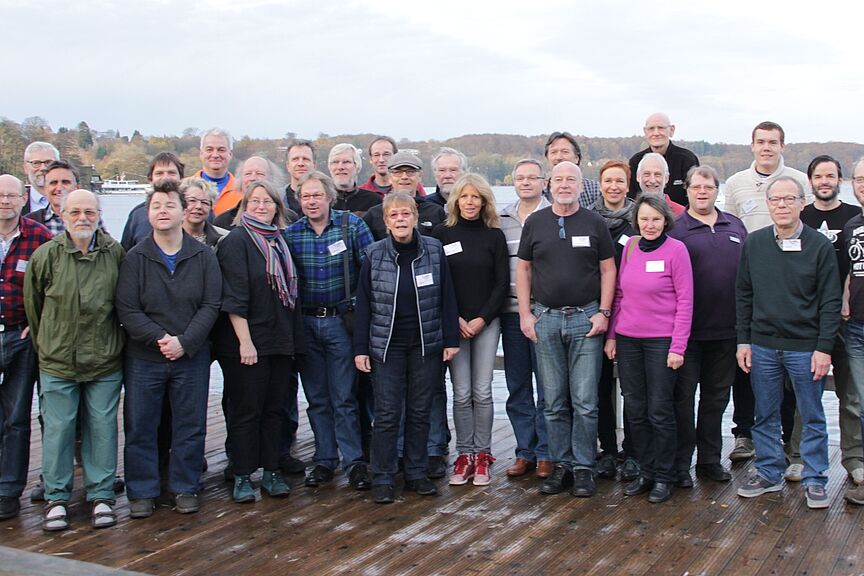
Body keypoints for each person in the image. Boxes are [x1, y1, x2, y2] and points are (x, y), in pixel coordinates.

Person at [116, 179, 221, 517]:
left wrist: (185, 342)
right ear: (148, 213)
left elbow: (211, 304)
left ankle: (185, 486)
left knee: (190, 425)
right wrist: (160, 339)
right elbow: (128, 309)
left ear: (183, 211)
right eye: (157, 206)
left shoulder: (202, 256)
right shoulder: (135, 258)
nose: (163, 211)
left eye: (170, 205)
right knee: (141, 425)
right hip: (145, 357)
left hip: (191, 356)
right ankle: (142, 491)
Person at [735, 177, 840, 510]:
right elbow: (744, 295)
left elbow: (830, 301)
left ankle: (815, 478)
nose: (781, 205)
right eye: (775, 199)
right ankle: (768, 471)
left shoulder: (819, 246)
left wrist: (824, 348)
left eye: (788, 199)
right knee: (764, 414)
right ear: (767, 204)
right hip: (763, 344)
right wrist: (744, 341)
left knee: (811, 415)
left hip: (805, 347)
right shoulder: (754, 244)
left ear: (802, 203)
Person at [24, 189, 126, 531]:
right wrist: (49, 345)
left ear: (98, 214)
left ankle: (101, 495)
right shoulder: (46, 256)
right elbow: (34, 308)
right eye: (75, 212)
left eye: (89, 212)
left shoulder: (115, 253)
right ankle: (56, 498)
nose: (83, 218)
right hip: (58, 360)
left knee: (101, 428)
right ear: (63, 215)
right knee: (58, 430)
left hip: (104, 358)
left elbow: (123, 304)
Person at [517, 161, 616, 498]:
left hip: (585, 318)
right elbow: (524, 269)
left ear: (580, 185)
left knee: (586, 401)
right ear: (549, 184)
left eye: (570, 179)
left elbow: (607, 270)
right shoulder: (535, 222)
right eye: (558, 179)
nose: (563, 185)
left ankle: (585, 466)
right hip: (545, 319)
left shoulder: (594, 222)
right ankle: (562, 465)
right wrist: (526, 315)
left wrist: (603, 313)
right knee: (555, 401)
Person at [353, 192, 460, 504]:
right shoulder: (374, 255)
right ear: (386, 222)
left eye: (405, 214)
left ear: (415, 217)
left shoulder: (434, 250)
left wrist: (450, 338)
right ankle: (383, 476)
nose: (400, 220)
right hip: (387, 346)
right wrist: (361, 348)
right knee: (387, 413)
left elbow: (447, 297)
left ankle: (415, 472)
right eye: (394, 216)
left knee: (419, 410)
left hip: (425, 343)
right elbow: (364, 306)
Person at [723, 122, 811, 464]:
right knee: (746, 363)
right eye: (761, 142)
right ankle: (744, 433)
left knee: (787, 367)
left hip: (788, 284)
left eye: (773, 142)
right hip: (750, 280)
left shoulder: (798, 180)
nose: (767, 148)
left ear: (782, 146)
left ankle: (789, 439)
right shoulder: (736, 184)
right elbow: (728, 229)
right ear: (752, 146)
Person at [214, 180, 305, 502]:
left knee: (275, 409)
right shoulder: (236, 242)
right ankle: (242, 474)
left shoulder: (281, 242)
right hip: (246, 343)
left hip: (280, 338)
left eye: (268, 202)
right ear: (245, 206)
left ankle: (271, 470)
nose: (262, 207)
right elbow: (233, 298)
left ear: (277, 208)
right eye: (255, 201)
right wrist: (246, 343)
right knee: (246, 410)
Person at [285, 171, 374, 491]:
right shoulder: (292, 234)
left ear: (328, 197)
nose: (311, 201)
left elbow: (372, 274)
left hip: (341, 322)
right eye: (305, 196)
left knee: (344, 396)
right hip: (306, 323)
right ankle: (324, 459)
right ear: (299, 200)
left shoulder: (352, 226)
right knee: (317, 397)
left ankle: (354, 462)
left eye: (316, 195)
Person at [605, 194, 693, 504]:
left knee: (660, 410)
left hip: (662, 342)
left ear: (665, 220)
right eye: (644, 218)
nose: (650, 224)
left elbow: (685, 302)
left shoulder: (676, 250)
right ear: (636, 220)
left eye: (656, 219)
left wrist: (677, 346)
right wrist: (613, 336)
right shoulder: (629, 248)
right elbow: (618, 296)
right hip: (629, 339)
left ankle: (665, 475)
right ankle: (646, 470)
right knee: (636, 410)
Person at [785, 156, 864, 485]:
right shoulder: (800, 217)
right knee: (806, 390)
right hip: (808, 318)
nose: (825, 181)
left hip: (847, 317)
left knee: (851, 393)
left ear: (840, 180)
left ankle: (854, 457)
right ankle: (798, 456)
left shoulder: (852, 219)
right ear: (810, 180)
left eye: (831, 175)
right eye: (818, 176)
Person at [668, 165, 746, 485]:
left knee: (716, 400)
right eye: (696, 187)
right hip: (688, 334)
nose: (703, 192)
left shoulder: (736, 226)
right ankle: (681, 463)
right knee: (683, 400)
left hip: (727, 332)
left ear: (718, 191)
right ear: (686, 190)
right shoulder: (675, 229)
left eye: (709, 187)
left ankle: (709, 461)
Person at [432, 174, 508, 486]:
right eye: (465, 197)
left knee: (482, 390)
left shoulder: (494, 235)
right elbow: (438, 282)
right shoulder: (441, 234)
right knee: (461, 393)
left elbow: (502, 283)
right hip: (454, 324)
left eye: (476, 197)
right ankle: (464, 454)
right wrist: (456, 320)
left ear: (485, 201)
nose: (470, 202)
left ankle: (483, 454)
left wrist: (482, 318)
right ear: (456, 201)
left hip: (486, 323)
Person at [0, 175, 52, 521]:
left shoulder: (38, 236)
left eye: (11, 196)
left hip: (21, 336)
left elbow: (55, 284)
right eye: (0, 195)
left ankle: (7, 491)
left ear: (24, 200)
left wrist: (38, 320)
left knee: (16, 418)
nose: (5, 201)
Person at [499, 159, 552, 479]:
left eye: (533, 177)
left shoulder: (552, 215)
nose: (526, 182)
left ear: (544, 182)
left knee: (548, 387)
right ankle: (525, 451)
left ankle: (547, 452)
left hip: (545, 312)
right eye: (520, 178)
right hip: (510, 313)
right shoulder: (501, 217)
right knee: (517, 385)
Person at [591, 160, 639, 482]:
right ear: (600, 184)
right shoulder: (588, 220)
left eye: (619, 181)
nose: (613, 187)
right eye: (608, 181)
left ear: (627, 183)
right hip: (595, 312)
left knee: (633, 388)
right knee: (599, 385)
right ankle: (607, 450)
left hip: (634, 315)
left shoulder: (639, 219)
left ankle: (633, 451)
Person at [842, 158, 864, 504]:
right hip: (856, 327)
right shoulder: (852, 225)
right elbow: (849, 269)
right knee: (858, 400)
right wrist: (844, 297)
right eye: (859, 179)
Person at [363, 152, 445, 240]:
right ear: (389, 177)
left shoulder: (436, 212)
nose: (404, 177)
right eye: (398, 172)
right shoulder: (374, 214)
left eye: (410, 172)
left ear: (420, 176)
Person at [628, 113, 699, 206]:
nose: (656, 133)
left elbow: (696, 195)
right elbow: (631, 198)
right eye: (651, 128)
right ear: (645, 132)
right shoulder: (636, 162)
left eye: (661, 128)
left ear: (671, 130)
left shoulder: (687, 160)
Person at [120, 152, 185, 250]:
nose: (165, 177)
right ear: (151, 179)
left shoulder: (194, 211)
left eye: (171, 173)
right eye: (159, 173)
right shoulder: (137, 215)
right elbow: (125, 254)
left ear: (181, 178)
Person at [214, 156, 294, 230]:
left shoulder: (289, 218)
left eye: (260, 174)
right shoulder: (223, 222)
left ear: (272, 179)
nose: (253, 178)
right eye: (248, 174)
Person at [543, 131, 600, 206]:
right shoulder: (541, 191)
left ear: (576, 158)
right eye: (553, 152)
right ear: (547, 158)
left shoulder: (594, 189)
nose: (559, 157)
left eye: (565, 152)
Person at [26, 160, 79, 236]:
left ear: (77, 187)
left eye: (65, 182)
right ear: (45, 189)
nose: (59, 188)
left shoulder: (90, 218)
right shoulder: (29, 222)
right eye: (53, 183)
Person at [328, 143, 382, 217]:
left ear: (357, 166)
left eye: (346, 162)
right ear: (330, 167)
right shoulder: (321, 201)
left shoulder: (373, 201)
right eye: (335, 162)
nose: (340, 167)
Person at [196, 128, 239, 216]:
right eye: (209, 149)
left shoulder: (242, 190)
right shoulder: (184, 188)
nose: (215, 155)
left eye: (221, 150)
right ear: (201, 153)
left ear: (230, 154)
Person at [180, 177, 228, 248]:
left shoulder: (224, 238)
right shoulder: (166, 235)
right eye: (192, 201)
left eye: (204, 202)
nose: (199, 206)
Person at [21, 141, 59, 215]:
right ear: (25, 168)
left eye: (48, 162)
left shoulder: (74, 201)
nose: (43, 168)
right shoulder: (15, 203)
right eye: (36, 163)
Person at [284, 140, 314, 214]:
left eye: (305, 159)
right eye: (295, 159)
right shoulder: (277, 198)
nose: (300, 163)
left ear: (314, 165)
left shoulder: (326, 199)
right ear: (287, 166)